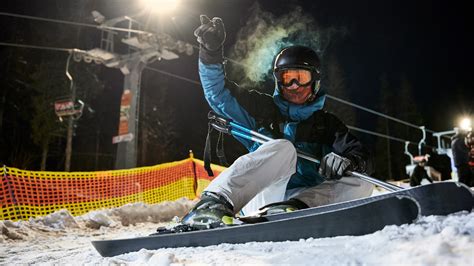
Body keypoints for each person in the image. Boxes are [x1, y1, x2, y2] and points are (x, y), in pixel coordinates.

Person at [182, 15, 374, 229]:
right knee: (284, 147)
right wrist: (210, 53)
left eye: (300, 78)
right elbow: (219, 94)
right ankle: (214, 203)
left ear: (315, 82)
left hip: (302, 204)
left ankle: (292, 211)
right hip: (261, 196)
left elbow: (358, 152)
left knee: (362, 181)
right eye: (286, 78)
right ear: (278, 81)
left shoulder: (327, 125)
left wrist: (348, 161)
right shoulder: (262, 109)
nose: (293, 85)